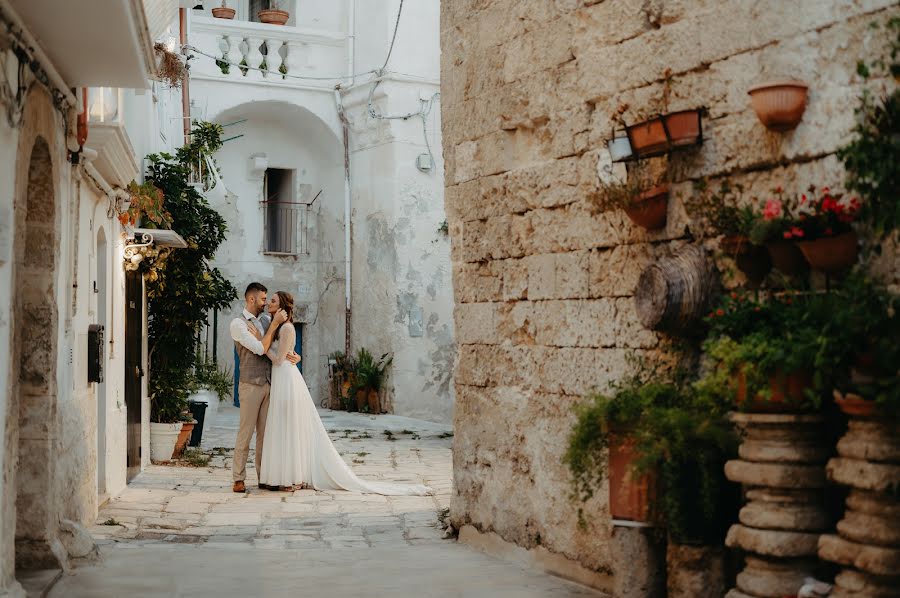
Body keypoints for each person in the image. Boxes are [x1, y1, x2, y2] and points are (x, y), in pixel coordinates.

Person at [254, 291, 432, 496]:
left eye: (273, 301)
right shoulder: (277, 327)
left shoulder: (286, 328)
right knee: (281, 425)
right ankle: (279, 475)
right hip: (281, 378)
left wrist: (262, 346)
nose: (269, 303)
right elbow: (283, 356)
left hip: (286, 378)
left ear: (283, 306)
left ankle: (291, 477)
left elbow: (278, 360)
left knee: (288, 426)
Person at [228, 282, 299, 493]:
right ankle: (238, 478)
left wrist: (295, 355)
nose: (266, 302)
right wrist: (274, 326)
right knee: (246, 433)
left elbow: (281, 344)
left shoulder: (268, 319)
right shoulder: (238, 324)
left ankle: (264, 476)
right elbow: (260, 348)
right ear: (251, 299)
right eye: (262, 299)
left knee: (266, 436)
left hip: (271, 385)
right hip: (250, 385)